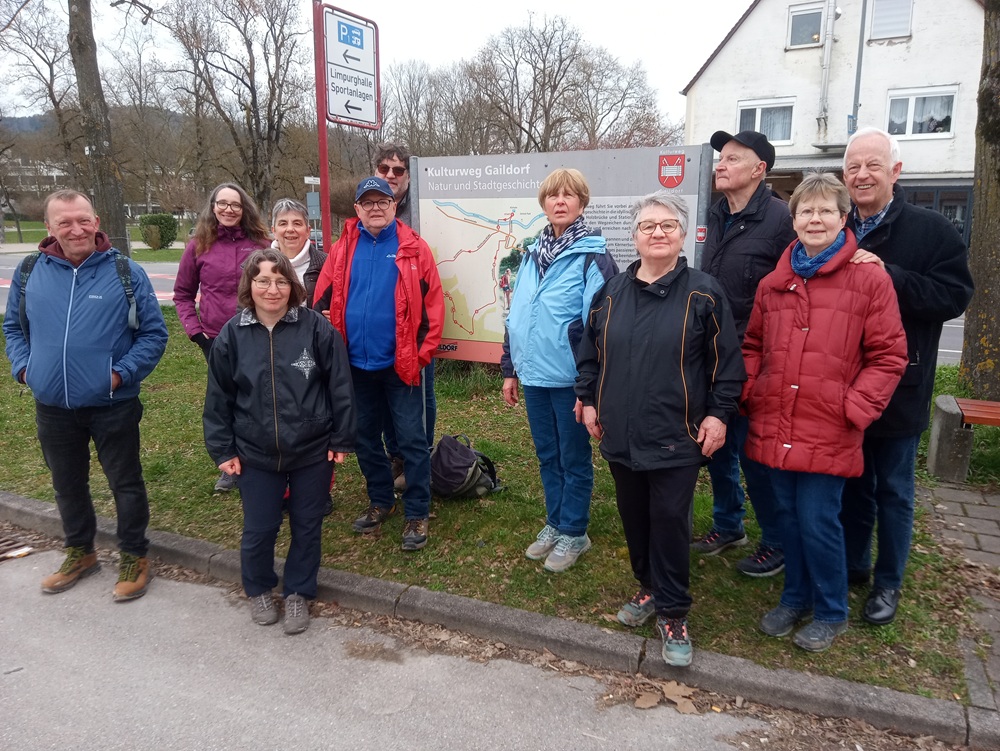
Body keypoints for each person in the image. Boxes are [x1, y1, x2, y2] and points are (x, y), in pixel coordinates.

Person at [575, 191, 744, 667]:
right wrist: (586, 400)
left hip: (678, 434)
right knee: (634, 516)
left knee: (669, 520)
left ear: (682, 234)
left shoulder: (703, 292)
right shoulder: (611, 293)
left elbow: (726, 365)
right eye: (648, 226)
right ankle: (648, 586)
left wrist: (719, 413)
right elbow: (590, 353)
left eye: (667, 225)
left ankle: (673, 610)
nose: (658, 233)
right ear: (634, 237)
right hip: (619, 432)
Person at [744, 173, 908, 652]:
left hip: (829, 424)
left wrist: (853, 407)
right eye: (805, 211)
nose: (815, 219)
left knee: (819, 520)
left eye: (825, 211)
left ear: (842, 218)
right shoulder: (774, 283)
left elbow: (889, 355)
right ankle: (795, 597)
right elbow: (752, 344)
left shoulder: (868, 276)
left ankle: (831, 609)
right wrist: (754, 390)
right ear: (793, 220)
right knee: (787, 520)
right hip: (775, 419)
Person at [3, 189, 168, 601]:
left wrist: (118, 376)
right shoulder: (29, 272)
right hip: (52, 406)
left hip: (113, 404)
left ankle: (134, 555)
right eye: (65, 222)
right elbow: (12, 328)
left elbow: (153, 334)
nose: (76, 229)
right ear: (50, 228)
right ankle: (80, 550)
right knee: (66, 484)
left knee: (125, 483)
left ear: (96, 221)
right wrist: (25, 370)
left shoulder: (126, 272)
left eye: (83, 220)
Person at [839, 128, 975, 626]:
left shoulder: (930, 229)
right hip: (842, 386)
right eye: (853, 167)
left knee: (894, 488)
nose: (862, 175)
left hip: (901, 385)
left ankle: (888, 581)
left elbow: (954, 296)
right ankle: (854, 563)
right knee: (853, 482)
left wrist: (889, 276)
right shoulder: (836, 227)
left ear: (896, 171)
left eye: (873, 165)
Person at [203, 249, 356, 635]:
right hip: (254, 452)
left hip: (312, 449)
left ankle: (298, 592)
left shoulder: (317, 330)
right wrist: (223, 449)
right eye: (262, 281)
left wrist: (341, 437)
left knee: (307, 525)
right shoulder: (232, 336)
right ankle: (258, 588)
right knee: (260, 527)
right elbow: (218, 397)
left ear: (292, 285)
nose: (272, 289)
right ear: (249, 286)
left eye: (280, 280)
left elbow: (341, 388)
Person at [313, 176, 444, 551]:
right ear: (357, 209)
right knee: (365, 438)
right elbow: (321, 298)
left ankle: (417, 509)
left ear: (393, 206)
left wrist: (420, 355)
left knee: (412, 440)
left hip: (401, 365)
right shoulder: (343, 249)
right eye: (367, 202)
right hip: (354, 366)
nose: (375, 208)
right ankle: (381, 500)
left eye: (381, 202)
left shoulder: (414, 249)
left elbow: (433, 308)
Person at [500, 168, 617, 573]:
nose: (560, 201)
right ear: (544, 203)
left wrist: (588, 389)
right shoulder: (531, 254)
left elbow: (601, 327)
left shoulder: (593, 255)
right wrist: (510, 368)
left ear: (582, 203)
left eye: (569, 195)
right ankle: (554, 522)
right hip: (533, 375)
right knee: (547, 454)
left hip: (570, 379)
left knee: (573, 456)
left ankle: (574, 530)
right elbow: (516, 316)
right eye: (553, 196)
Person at [694, 130, 797, 578]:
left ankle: (775, 542)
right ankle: (728, 525)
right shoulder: (716, 215)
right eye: (720, 158)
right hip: (715, 359)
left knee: (757, 458)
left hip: (761, 363)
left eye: (733, 159)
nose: (721, 165)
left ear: (760, 170)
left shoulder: (780, 221)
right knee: (716, 447)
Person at [173, 183, 270, 492]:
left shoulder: (262, 244)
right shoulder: (198, 245)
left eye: (235, 204)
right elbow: (182, 294)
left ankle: (261, 456)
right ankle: (230, 463)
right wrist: (195, 330)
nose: (229, 209)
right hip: (215, 338)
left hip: (256, 334)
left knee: (258, 397)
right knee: (225, 400)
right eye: (222, 203)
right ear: (212, 207)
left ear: (245, 210)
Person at [373, 142, 435, 490]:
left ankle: (419, 457)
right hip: (383, 329)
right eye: (385, 169)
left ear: (408, 176)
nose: (392, 175)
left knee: (421, 394)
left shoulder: (425, 206)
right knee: (383, 397)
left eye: (398, 170)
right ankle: (395, 455)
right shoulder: (372, 208)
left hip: (418, 324)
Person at [270, 198, 327, 308]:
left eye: (297, 223)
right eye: (283, 223)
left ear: (308, 231)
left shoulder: (327, 264)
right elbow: (246, 308)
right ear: (274, 231)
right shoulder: (257, 265)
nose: (290, 229)